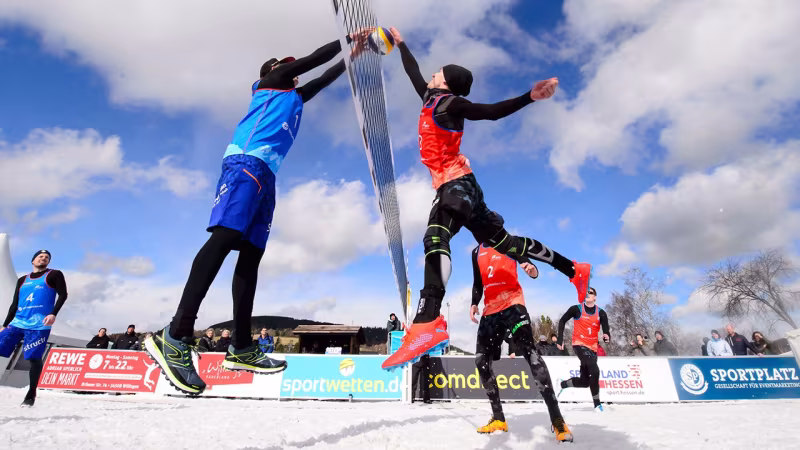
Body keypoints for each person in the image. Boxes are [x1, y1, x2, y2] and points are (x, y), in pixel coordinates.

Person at [143, 33, 370, 395]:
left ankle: (241, 346)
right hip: (245, 163)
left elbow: (324, 77)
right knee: (225, 238)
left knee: (251, 256)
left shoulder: (294, 98)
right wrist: (350, 37)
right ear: (273, 71)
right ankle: (176, 333)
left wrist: (352, 55)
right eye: (286, 66)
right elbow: (314, 59)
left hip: (267, 174)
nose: (293, 71)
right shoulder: (270, 83)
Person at [382, 26, 592, 372]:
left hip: (456, 185)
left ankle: (428, 320)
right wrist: (401, 44)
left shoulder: (451, 103)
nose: (432, 74)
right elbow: (412, 71)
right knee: (506, 244)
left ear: (446, 81)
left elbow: (490, 112)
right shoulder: (430, 98)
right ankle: (573, 269)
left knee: (435, 236)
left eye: (438, 71)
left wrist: (529, 97)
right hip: (464, 187)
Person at [469, 244, 572, 442]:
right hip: (490, 312)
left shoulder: (506, 241)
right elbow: (478, 281)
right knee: (481, 361)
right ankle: (498, 418)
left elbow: (526, 261)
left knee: (531, 354)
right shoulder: (476, 252)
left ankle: (557, 420)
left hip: (513, 306)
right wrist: (474, 302)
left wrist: (531, 269)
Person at [0, 250, 68, 407]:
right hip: (17, 322)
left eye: (47, 257)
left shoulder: (54, 274)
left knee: (33, 358)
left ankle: (30, 395)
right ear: (33, 260)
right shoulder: (22, 280)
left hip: (38, 324)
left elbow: (63, 295)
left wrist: (53, 313)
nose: (44, 258)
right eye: (40, 256)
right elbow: (14, 304)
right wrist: (5, 325)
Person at [556, 287, 610, 413]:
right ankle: (597, 404)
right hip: (579, 344)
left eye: (590, 292)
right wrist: (560, 338)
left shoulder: (601, 312)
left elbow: (606, 329)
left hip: (593, 348)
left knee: (585, 382)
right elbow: (562, 320)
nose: (587, 294)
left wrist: (607, 336)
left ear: (595, 297)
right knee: (594, 369)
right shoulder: (576, 309)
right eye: (585, 292)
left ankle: (564, 384)